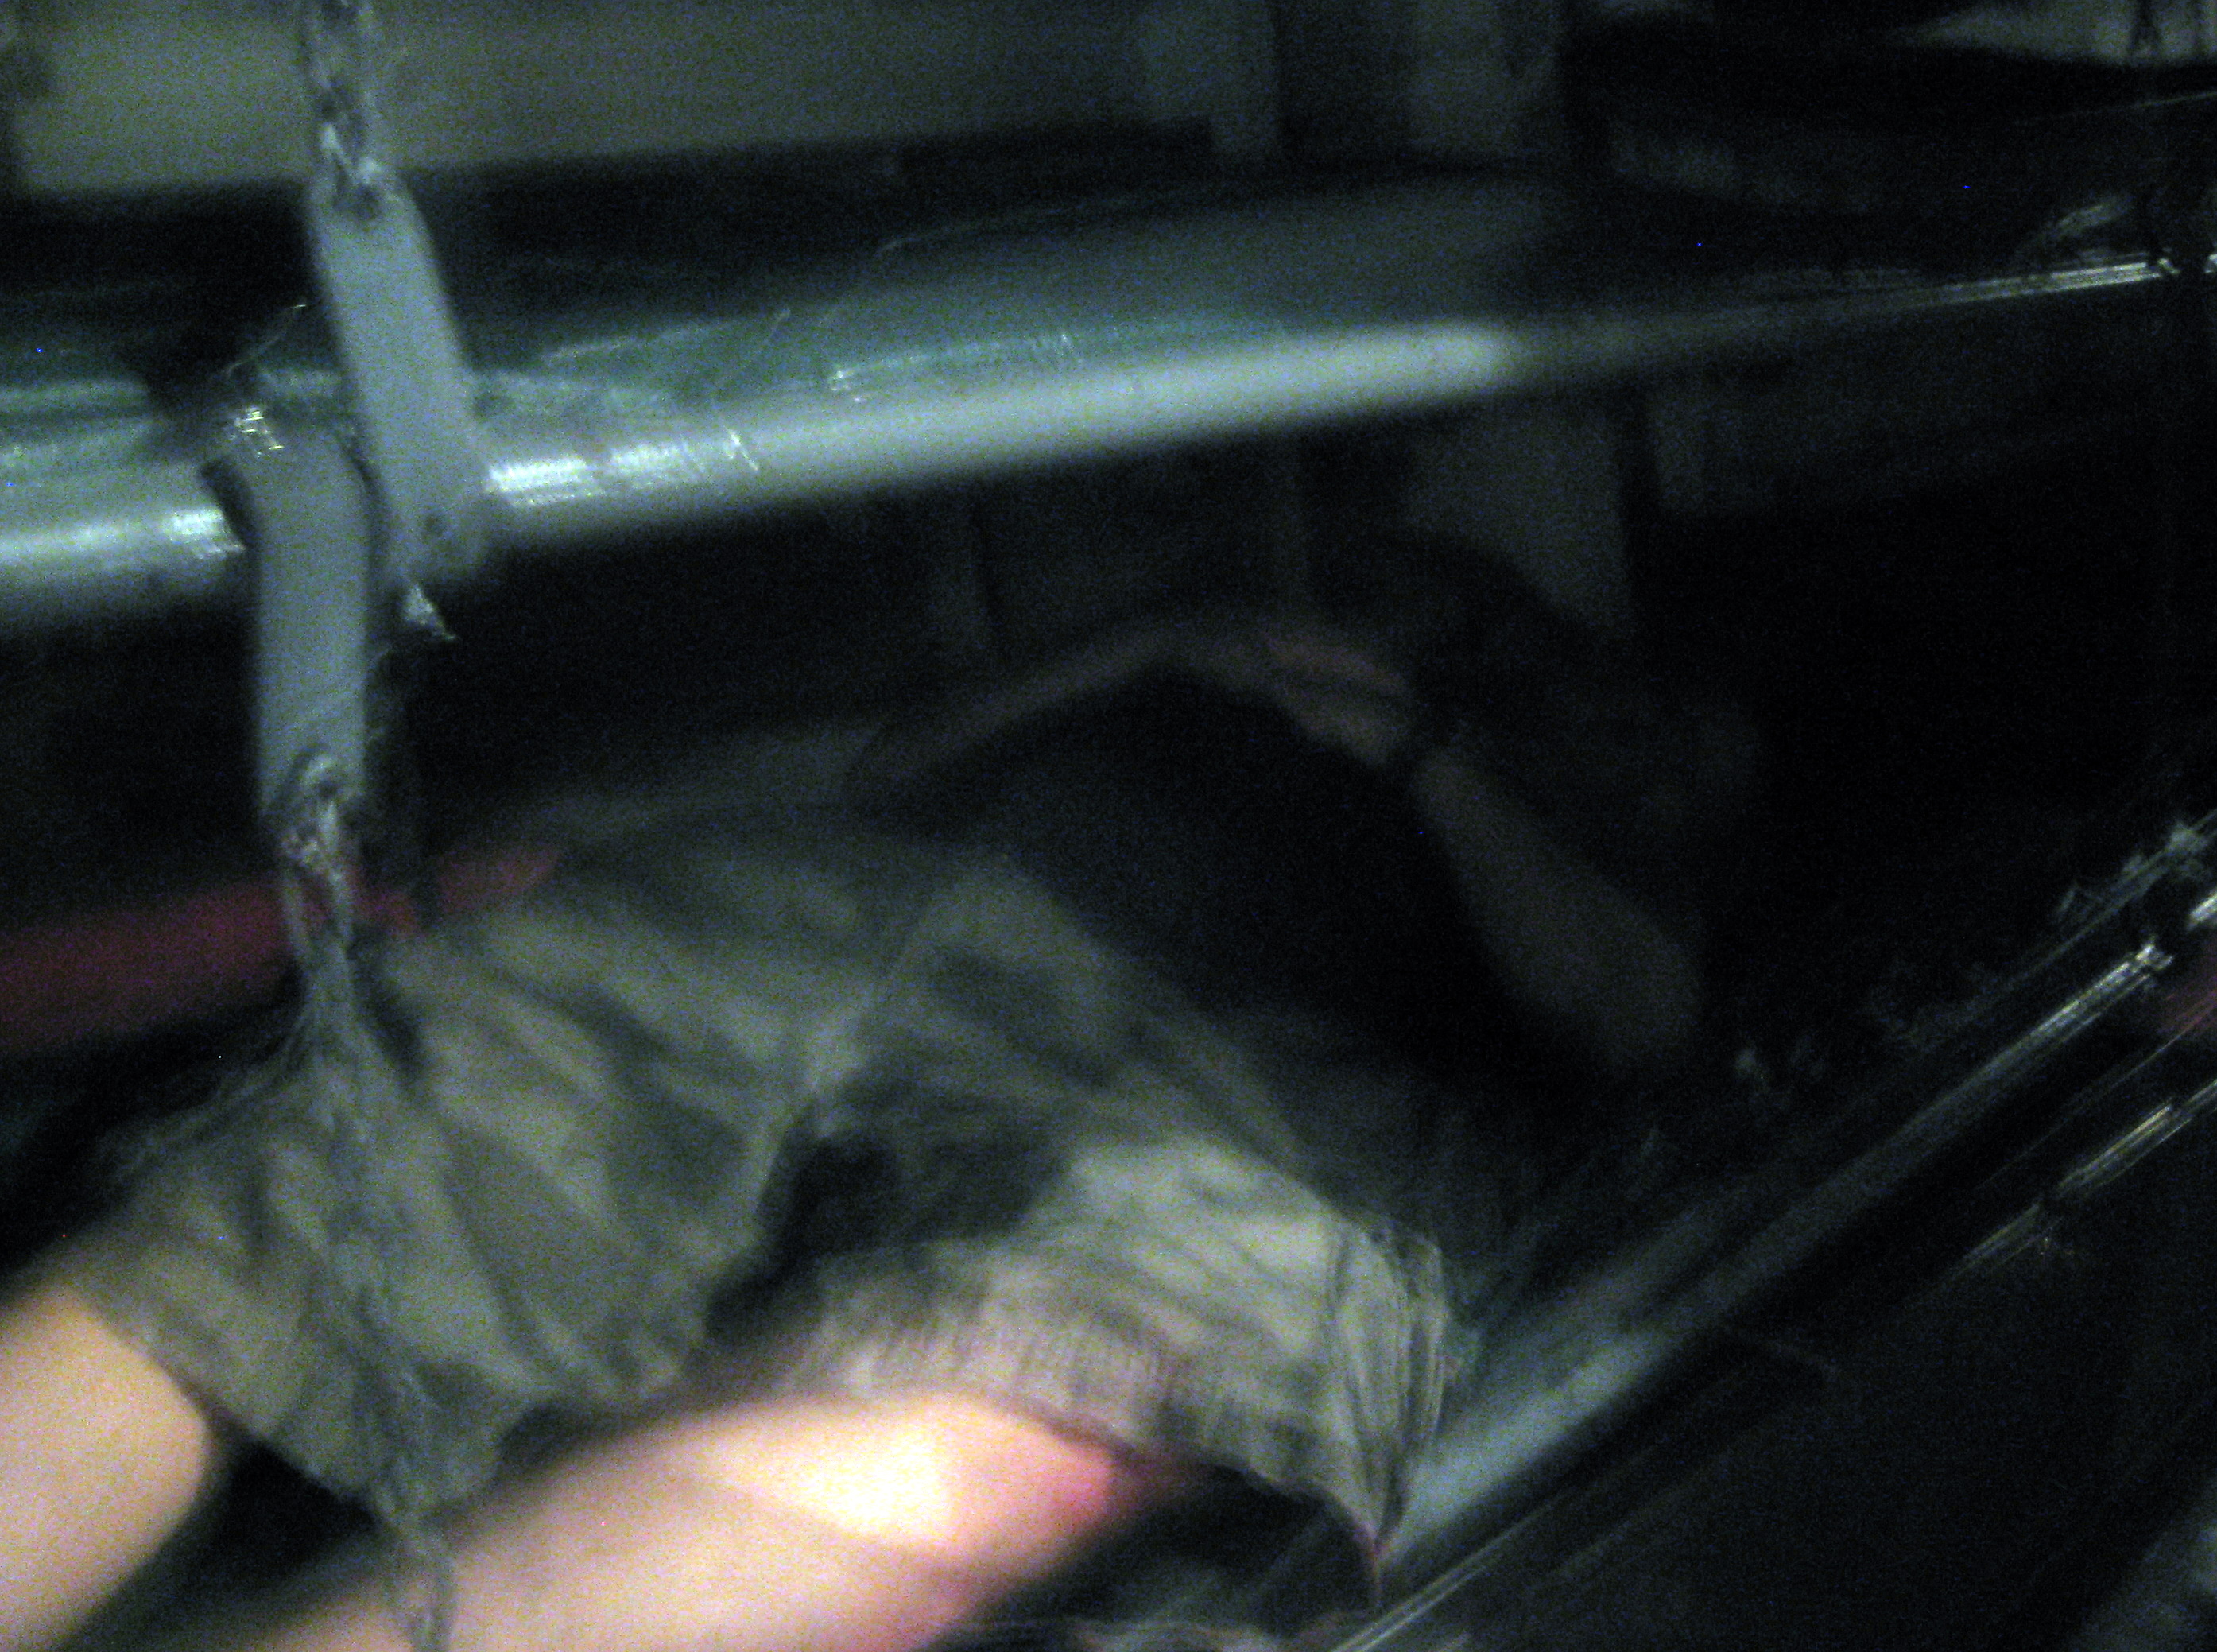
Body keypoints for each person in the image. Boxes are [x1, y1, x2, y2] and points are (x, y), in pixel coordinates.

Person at [0, 607, 1726, 1652]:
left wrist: (1427, 757)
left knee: (1076, 1379)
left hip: (1291, 1092)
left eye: (1666, 742)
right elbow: (909, 760)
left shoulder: (1584, 830)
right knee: (403, 1141)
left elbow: (1631, 1018)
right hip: (922, 908)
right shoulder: (1379, 618)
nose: (1627, 733)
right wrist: (1157, 650)